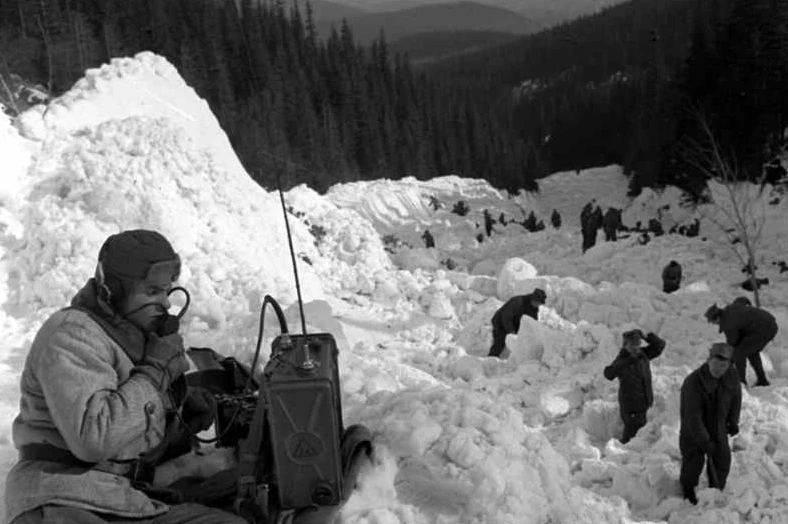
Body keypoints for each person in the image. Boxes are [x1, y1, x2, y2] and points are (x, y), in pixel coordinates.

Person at [4, 230, 245, 524]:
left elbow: (127, 434)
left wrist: (179, 415)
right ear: (112, 292)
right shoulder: (72, 334)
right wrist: (155, 374)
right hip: (63, 501)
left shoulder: (128, 340)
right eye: (152, 292)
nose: (167, 304)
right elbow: (94, 439)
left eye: (168, 291)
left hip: (113, 496)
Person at [679, 342, 742, 505]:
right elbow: (693, 416)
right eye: (716, 364)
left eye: (723, 365)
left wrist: (733, 420)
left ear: (729, 364)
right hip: (694, 431)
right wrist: (704, 441)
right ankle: (687, 490)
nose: (719, 369)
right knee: (693, 462)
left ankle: (716, 488)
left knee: (722, 459)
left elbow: (736, 398)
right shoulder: (693, 382)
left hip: (718, 426)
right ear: (708, 360)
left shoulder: (732, 375)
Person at [603, 329, 666, 443]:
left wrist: (647, 336)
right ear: (625, 345)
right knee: (630, 441)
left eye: (638, 344)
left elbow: (660, 346)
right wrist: (628, 361)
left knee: (641, 438)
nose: (636, 347)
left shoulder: (643, 355)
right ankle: (618, 456)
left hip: (645, 405)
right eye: (632, 345)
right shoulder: (621, 360)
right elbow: (608, 374)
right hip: (631, 409)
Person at [705, 300, 778, 386]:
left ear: (717, 318)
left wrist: (725, 361)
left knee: (739, 353)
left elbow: (732, 344)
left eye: (713, 322)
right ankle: (762, 380)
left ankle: (741, 382)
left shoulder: (728, 323)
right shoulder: (730, 310)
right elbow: (742, 300)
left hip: (763, 329)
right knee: (751, 352)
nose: (714, 324)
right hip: (768, 324)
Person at [488, 289, 547, 358]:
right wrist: (511, 331)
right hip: (500, 322)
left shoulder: (533, 307)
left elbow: (532, 321)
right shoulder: (518, 301)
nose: (538, 305)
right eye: (538, 303)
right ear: (533, 299)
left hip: (515, 322)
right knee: (500, 342)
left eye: (539, 304)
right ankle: (490, 360)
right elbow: (506, 316)